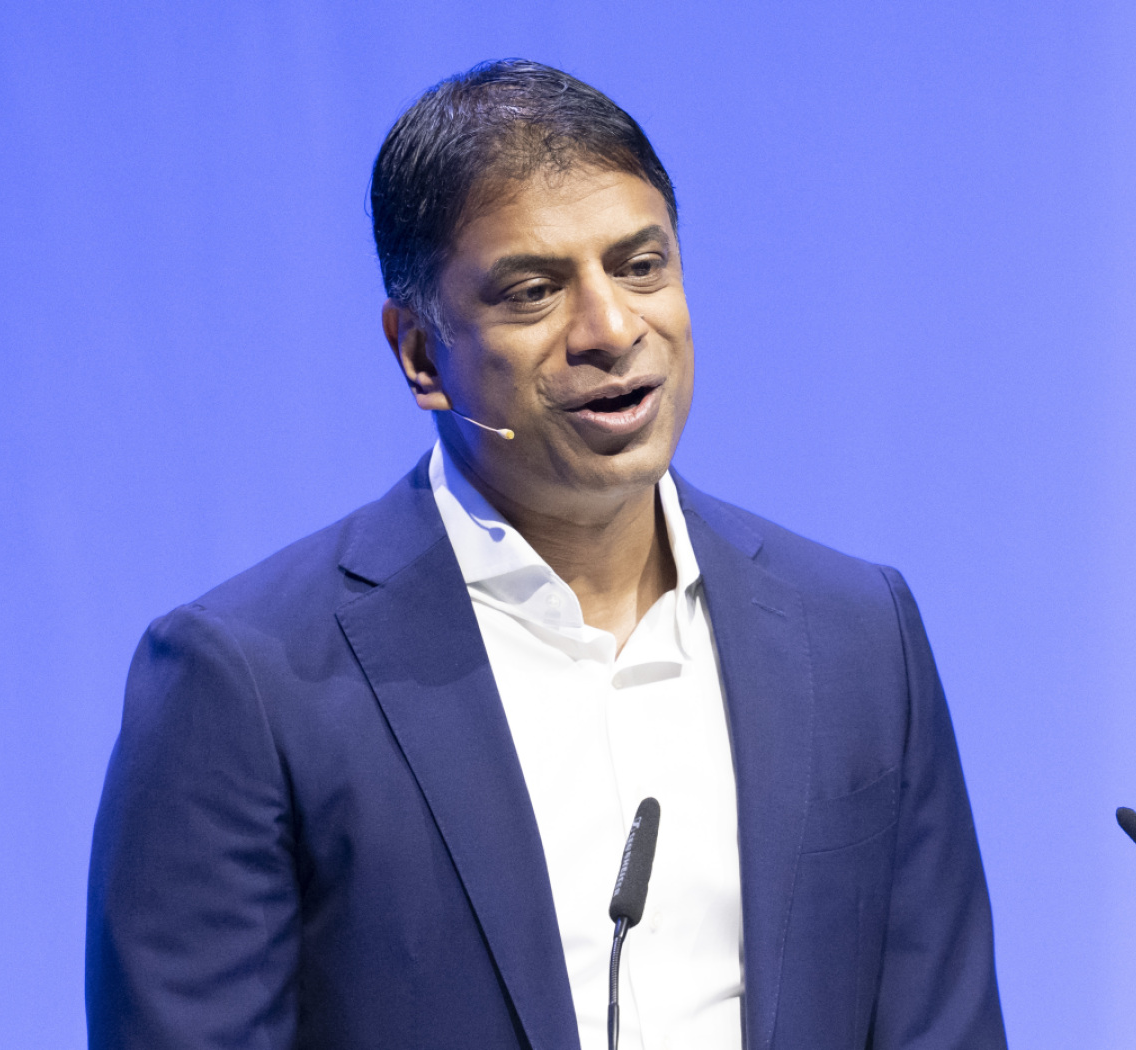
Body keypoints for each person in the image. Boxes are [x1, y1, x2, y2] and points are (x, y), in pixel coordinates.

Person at [86, 59, 1008, 1050]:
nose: (611, 329)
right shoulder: (247, 682)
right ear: (420, 356)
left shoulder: (856, 635)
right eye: (533, 292)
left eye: (640, 266)